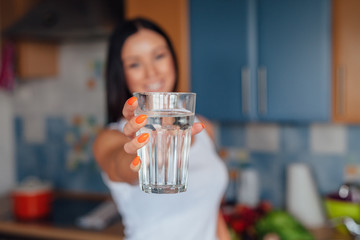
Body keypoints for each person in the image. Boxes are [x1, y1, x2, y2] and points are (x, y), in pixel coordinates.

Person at [93, 18, 230, 240]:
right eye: (135, 64)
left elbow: (212, 214)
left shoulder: (203, 129)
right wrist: (146, 152)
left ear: (173, 58)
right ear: (121, 74)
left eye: (159, 56)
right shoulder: (110, 138)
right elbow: (122, 167)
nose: (151, 73)